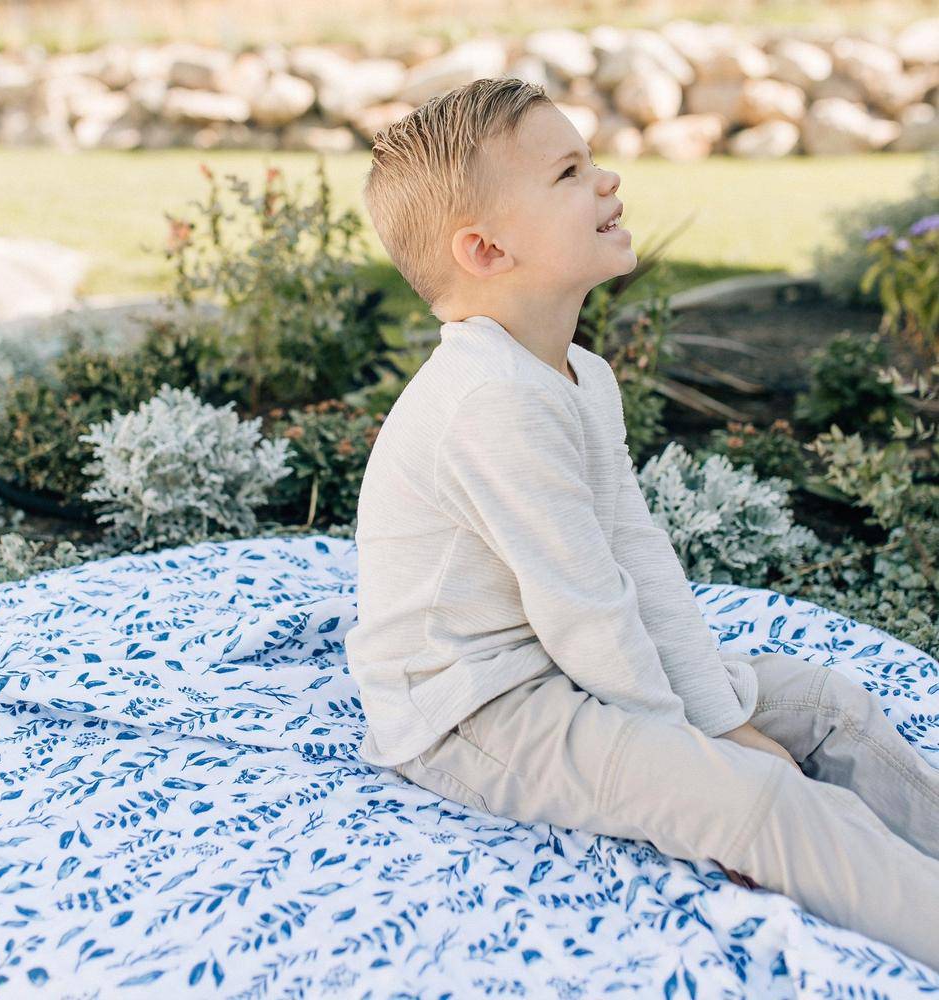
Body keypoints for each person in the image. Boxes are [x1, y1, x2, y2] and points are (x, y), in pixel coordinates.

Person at [343, 76, 939, 970]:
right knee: (757, 803)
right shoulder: (487, 403)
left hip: (563, 656)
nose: (610, 181)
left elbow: (631, 557)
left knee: (828, 707)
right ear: (486, 249)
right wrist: (711, 751)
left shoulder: (579, 373)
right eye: (571, 172)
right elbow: (583, 604)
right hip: (477, 709)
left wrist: (719, 712)